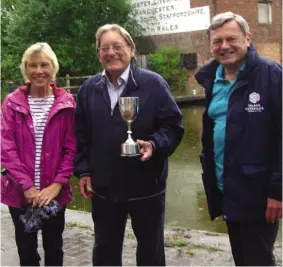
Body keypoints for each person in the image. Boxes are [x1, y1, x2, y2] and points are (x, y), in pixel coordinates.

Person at [75, 24, 184, 266]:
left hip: (146, 186)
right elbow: (80, 136)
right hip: (104, 187)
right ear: (98, 54)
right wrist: (83, 170)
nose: (111, 52)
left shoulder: (153, 84)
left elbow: (173, 126)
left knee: (150, 252)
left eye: (117, 46)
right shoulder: (88, 89)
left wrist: (155, 145)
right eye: (105, 48)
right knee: (104, 250)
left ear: (131, 50)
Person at [195, 12, 282, 266]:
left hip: (259, 193)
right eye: (217, 41)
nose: (224, 47)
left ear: (248, 38)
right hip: (227, 189)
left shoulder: (272, 75)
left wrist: (278, 191)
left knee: (259, 260)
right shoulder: (213, 79)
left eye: (231, 39)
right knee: (241, 259)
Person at [1, 42, 76, 266]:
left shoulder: (66, 104)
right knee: (26, 252)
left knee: (55, 249)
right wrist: (27, 187)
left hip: (54, 194)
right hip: (20, 194)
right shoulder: (12, 104)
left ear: (53, 68)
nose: (38, 71)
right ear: (25, 69)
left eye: (44, 64)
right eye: (32, 65)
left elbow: (71, 148)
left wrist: (57, 185)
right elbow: (6, 148)